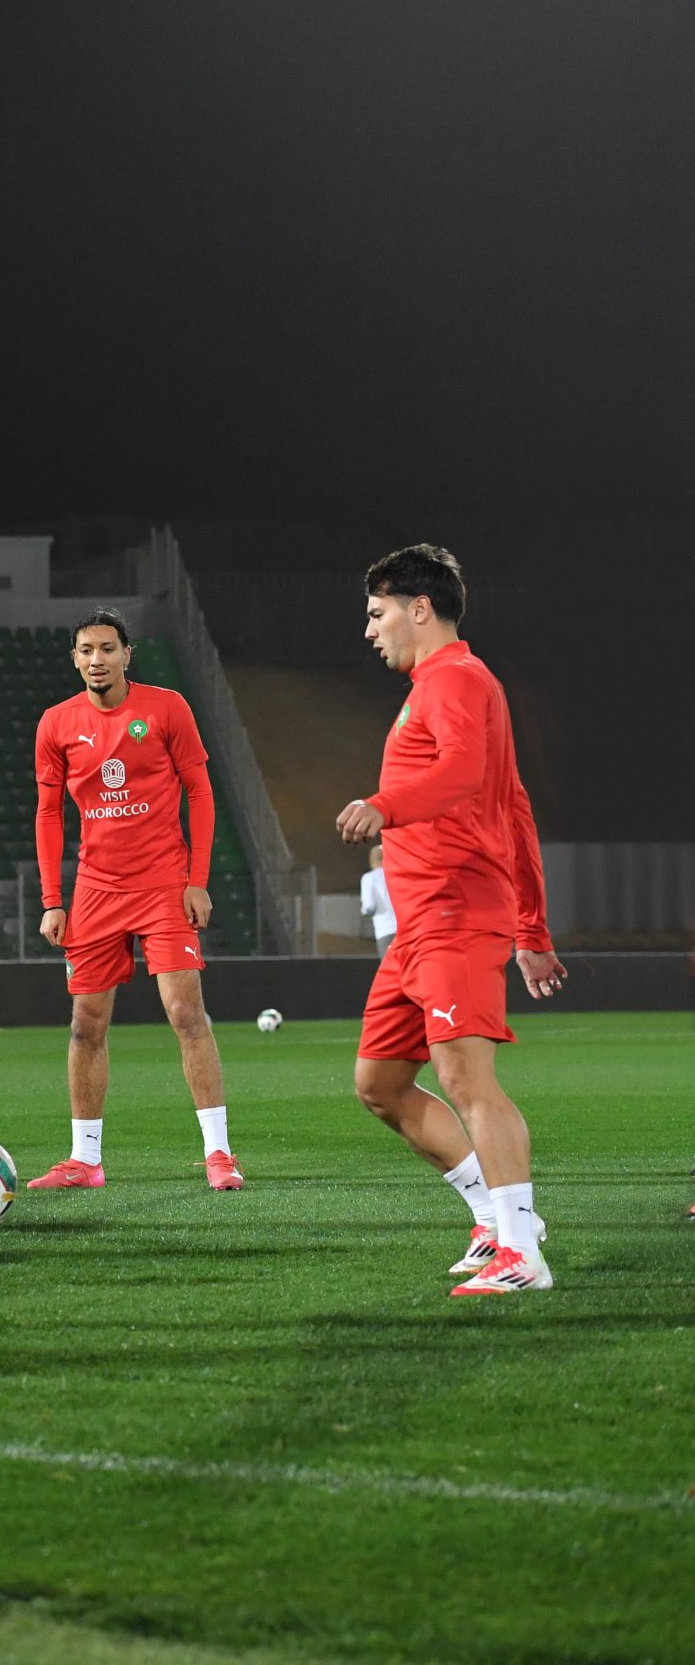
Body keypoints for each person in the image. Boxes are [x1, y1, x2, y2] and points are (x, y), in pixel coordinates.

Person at [337, 544, 564, 1294]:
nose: (371, 630)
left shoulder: (456, 679)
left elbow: (463, 775)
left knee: (466, 1076)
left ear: (419, 608)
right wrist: (533, 929)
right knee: (380, 1083)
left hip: (457, 911)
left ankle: (522, 1254)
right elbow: (515, 808)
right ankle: (494, 1221)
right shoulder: (438, 685)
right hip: (421, 925)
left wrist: (384, 804)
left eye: (378, 613)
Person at [27, 610, 244, 1192]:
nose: (96, 659)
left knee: (184, 1013)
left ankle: (220, 1154)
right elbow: (49, 814)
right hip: (95, 890)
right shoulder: (55, 724)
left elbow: (199, 792)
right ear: (74, 659)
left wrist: (196, 879)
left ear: (128, 654)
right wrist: (54, 899)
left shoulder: (167, 707)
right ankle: (85, 1161)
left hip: (162, 884)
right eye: (85, 650)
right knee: (84, 1026)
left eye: (106, 648)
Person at [360, 842, 397, 956]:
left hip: (386, 931)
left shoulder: (369, 878)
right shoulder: (396, 874)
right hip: (406, 930)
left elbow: (369, 907)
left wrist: (363, 911)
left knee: (393, 971)